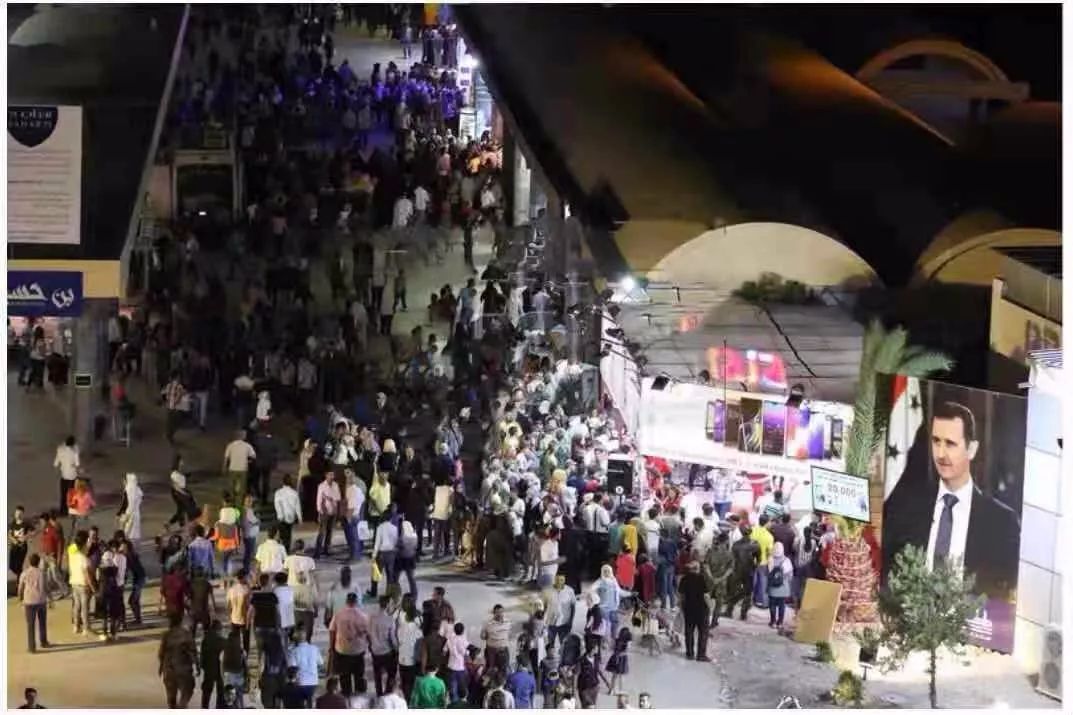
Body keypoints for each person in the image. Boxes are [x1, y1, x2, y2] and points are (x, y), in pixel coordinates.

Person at [883, 400, 1022, 599]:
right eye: (936, 441)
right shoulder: (907, 507)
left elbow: (1005, 595)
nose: (940, 454)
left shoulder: (1002, 522)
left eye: (950, 444)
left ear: (971, 449)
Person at [329, 592, 370, 697]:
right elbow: (368, 633)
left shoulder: (338, 615)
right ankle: (358, 698)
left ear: (346, 602)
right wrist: (369, 644)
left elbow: (332, 630)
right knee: (359, 676)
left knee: (344, 677)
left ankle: (347, 696)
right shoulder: (363, 616)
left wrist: (332, 647)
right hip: (358, 652)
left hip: (342, 651)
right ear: (356, 602)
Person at [159, 612, 198, 709]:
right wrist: (197, 665)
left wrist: (161, 667)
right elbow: (193, 652)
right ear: (181, 621)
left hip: (169, 669)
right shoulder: (186, 634)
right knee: (187, 690)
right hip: (183, 669)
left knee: (171, 696)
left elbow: (161, 653)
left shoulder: (166, 635)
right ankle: (182, 706)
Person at [678, 560, 711, 661]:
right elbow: (706, 596)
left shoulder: (684, 579)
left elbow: (681, 596)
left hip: (689, 609)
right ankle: (701, 655)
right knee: (703, 633)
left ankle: (690, 654)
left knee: (689, 631)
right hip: (701, 609)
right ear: (698, 569)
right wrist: (709, 607)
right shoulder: (702, 578)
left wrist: (682, 607)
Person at [726, 524, 759, 620]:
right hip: (749, 570)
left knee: (733, 591)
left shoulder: (736, 545)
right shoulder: (755, 544)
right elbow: (759, 558)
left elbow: (732, 558)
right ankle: (743, 613)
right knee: (748, 592)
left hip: (738, 570)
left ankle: (729, 611)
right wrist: (754, 566)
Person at [18, 553, 49, 652]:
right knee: (42, 623)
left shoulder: (24, 573)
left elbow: (20, 588)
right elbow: (46, 587)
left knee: (30, 625)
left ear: (29, 562)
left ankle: (32, 647)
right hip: (41, 600)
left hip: (29, 601)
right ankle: (43, 641)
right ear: (38, 562)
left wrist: (20, 599)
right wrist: (51, 599)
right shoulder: (42, 573)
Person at [369, 596, 400, 696]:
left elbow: (369, 633)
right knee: (391, 673)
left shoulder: (372, 618)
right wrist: (397, 649)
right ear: (387, 605)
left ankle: (379, 694)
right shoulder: (390, 620)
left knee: (377, 675)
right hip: (387, 652)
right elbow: (392, 638)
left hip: (375, 651)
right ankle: (388, 692)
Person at [68, 530, 95, 637]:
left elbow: (81, 548)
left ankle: (76, 626)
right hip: (83, 585)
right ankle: (86, 628)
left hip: (74, 582)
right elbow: (87, 575)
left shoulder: (71, 551)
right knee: (85, 608)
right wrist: (93, 588)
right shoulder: (84, 559)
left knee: (76, 606)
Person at [288, 629, 323, 706]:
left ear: (296, 639)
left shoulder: (294, 651)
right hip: (313, 681)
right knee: (310, 702)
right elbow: (321, 662)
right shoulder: (315, 648)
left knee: (300, 704)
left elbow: (292, 667)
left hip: (301, 681)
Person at [222, 431, 256, 506]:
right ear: (244, 437)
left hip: (232, 468)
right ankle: (239, 503)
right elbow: (253, 456)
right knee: (242, 488)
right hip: (243, 469)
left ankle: (231, 502)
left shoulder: (230, 445)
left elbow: (226, 458)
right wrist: (248, 461)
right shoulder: (247, 446)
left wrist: (224, 467)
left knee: (231, 487)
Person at [314, 469, 342, 559]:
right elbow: (318, 499)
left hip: (333, 512)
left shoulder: (335, 485)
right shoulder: (321, 486)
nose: (331, 477)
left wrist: (330, 498)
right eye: (330, 474)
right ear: (326, 475)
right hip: (324, 512)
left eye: (333, 475)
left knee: (330, 532)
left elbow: (338, 498)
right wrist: (320, 510)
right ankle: (317, 552)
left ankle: (326, 550)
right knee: (322, 532)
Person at [543, 573, 576, 647]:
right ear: (554, 580)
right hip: (551, 623)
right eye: (557, 580)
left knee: (564, 644)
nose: (559, 582)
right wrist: (543, 621)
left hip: (564, 623)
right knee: (549, 644)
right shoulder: (548, 590)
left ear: (564, 580)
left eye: (561, 580)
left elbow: (573, 607)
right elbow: (544, 606)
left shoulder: (570, 591)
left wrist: (571, 621)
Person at [199, 621, 226, 709]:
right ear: (219, 630)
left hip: (208, 670)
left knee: (206, 693)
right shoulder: (223, 641)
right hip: (219, 671)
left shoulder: (205, 640)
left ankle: (204, 708)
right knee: (221, 692)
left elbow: (202, 656)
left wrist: (202, 666)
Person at [750, 514, 775, 608]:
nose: (770, 524)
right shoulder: (769, 536)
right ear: (766, 523)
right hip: (763, 562)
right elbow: (770, 552)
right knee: (763, 582)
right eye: (769, 522)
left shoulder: (752, 530)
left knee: (752, 581)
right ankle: (762, 602)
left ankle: (749, 600)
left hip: (751, 561)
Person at [768, 542, 794, 630]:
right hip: (783, 587)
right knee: (782, 605)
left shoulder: (770, 559)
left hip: (772, 587)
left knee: (772, 605)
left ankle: (773, 622)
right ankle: (780, 622)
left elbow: (767, 573)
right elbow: (790, 575)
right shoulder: (787, 560)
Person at [274, 474, 303, 552]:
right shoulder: (294, 493)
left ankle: (281, 551)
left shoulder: (278, 492)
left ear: (283, 482)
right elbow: (297, 506)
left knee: (282, 535)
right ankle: (286, 550)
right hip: (291, 517)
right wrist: (300, 518)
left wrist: (280, 515)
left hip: (282, 518)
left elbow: (277, 505)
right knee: (288, 535)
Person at [480, 604, 511, 675]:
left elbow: (509, 633)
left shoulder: (508, 622)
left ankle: (502, 681)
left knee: (504, 669)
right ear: (494, 613)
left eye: (501, 612)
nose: (500, 614)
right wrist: (485, 636)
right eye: (497, 612)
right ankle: (489, 681)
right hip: (492, 651)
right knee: (491, 669)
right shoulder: (488, 623)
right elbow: (482, 636)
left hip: (504, 650)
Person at [54, 436, 80, 516]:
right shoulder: (74, 451)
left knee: (63, 494)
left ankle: (63, 511)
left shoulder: (60, 449)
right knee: (72, 493)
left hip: (64, 476)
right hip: (72, 476)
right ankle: (72, 511)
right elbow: (77, 464)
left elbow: (56, 463)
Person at [444, 621, 470, 703]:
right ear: (463, 631)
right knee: (462, 688)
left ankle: (454, 704)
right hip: (460, 668)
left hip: (451, 667)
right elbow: (466, 653)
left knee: (453, 689)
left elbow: (444, 651)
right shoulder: (463, 640)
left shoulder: (449, 640)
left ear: (454, 630)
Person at [604, 627, 631, 694]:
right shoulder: (627, 642)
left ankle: (611, 690)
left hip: (615, 657)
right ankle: (620, 690)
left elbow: (612, 648)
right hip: (622, 658)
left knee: (614, 675)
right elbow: (627, 650)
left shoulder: (616, 640)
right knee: (621, 676)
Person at [9, 505, 32, 578]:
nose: (18, 515)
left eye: (20, 513)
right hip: (14, 547)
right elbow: (9, 534)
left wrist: (26, 537)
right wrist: (13, 539)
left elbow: (34, 531)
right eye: (16, 513)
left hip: (22, 547)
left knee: (19, 566)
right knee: (11, 566)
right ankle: (22, 576)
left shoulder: (26, 524)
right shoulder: (13, 523)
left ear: (22, 514)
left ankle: (19, 580)